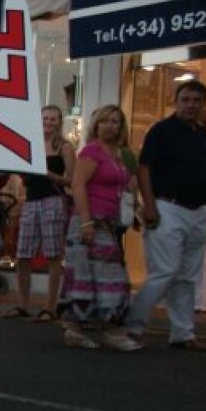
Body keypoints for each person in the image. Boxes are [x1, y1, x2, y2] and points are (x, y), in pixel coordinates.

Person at [124, 80, 206, 350]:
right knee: (165, 271)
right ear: (176, 101)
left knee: (187, 276)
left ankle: (182, 333)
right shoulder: (161, 131)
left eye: (196, 101)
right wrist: (149, 206)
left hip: (198, 211)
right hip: (167, 208)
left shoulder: (204, 135)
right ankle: (133, 326)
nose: (191, 105)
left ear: (202, 104)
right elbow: (144, 169)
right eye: (186, 100)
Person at [57, 104, 141, 352]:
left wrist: (133, 209)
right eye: (105, 121)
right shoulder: (92, 151)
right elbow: (78, 185)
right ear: (96, 124)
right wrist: (86, 221)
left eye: (115, 121)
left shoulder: (121, 153)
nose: (110, 126)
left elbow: (127, 185)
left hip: (110, 223)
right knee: (99, 277)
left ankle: (81, 329)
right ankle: (105, 331)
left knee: (100, 277)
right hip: (89, 222)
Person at [7, 105, 76, 321]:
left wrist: (50, 175)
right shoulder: (31, 146)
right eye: (45, 118)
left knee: (53, 255)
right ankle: (23, 304)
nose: (48, 123)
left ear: (59, 121)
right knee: (23, 255)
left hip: (53, 201)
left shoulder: (64, 147)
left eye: (53, 119)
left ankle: (50, 306)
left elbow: (72, 180)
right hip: (31, 201)